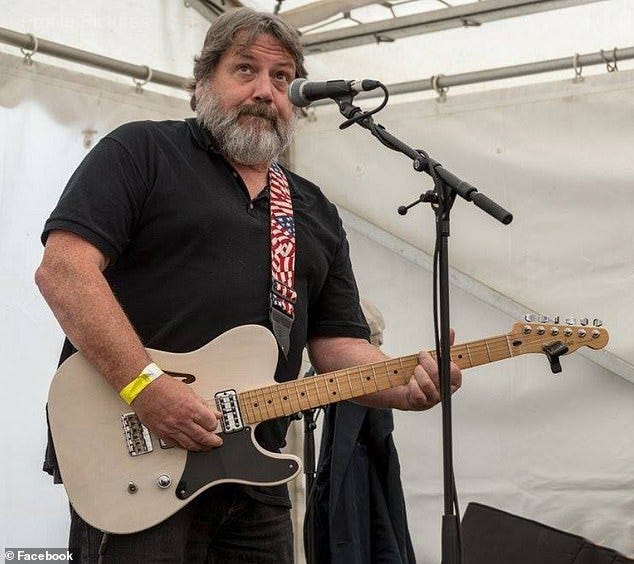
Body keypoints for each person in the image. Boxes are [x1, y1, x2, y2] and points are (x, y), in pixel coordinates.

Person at [35, 8, 462, 563]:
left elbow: (336, 345)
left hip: (254, 473)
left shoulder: (312, 210)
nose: (266, 90)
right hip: (138, 458)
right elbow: (64, 272)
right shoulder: (141, 151)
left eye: (282, 78)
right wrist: (147, 389)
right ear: (201, 83)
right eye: (245, 70)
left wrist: (402, 386)